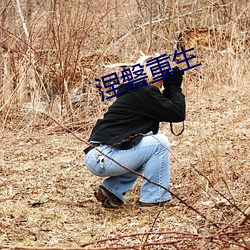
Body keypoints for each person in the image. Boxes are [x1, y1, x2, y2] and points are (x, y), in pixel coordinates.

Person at [84, 65, 186, 209]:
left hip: (99, 155)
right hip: (105, 157)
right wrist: (174, 87)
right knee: (159, 143)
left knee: (145, 150)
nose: (162, 81)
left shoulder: (136, 92)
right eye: (161, 76)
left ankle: (112, 191)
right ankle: (154, 199)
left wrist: (170, 89)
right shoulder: (143, 92)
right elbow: (177, 113)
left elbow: (166, 108)